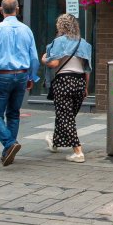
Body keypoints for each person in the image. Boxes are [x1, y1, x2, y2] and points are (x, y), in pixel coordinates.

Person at [0, 0, 40, 167]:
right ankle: (8, 150)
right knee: (13, 113)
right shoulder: (27, 30)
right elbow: (34, 57)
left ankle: (9, 143)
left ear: (1, 10)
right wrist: (32, 77)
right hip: (21, 75)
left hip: (2, 75)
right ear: (17, 10)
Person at [41, 13, 92, 163]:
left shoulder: (59, 42)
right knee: (67, 115)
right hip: (79, 82)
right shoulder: (84, 44)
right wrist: (85, 88)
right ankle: (55, 142)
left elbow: (54, 64)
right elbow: (87, 69)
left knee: (66, 116)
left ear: (60, 26)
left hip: (64, 81)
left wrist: (44, 59)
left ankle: (78, 151)